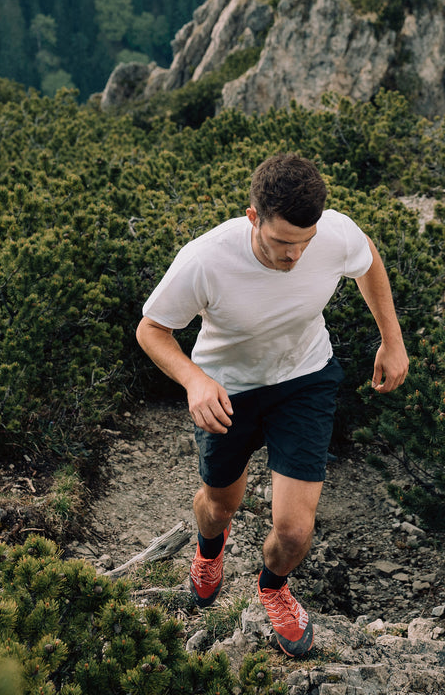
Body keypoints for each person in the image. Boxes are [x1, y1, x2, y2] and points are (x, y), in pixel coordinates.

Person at [136, 153, 408, 658]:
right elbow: (151, 330)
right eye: (283, 242)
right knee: (221, 506)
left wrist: (391, 340)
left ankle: (273, 587)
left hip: (304, 379)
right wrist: (195, 381)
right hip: (228, 390)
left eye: (304, 243)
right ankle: (208, 549)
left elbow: (366, 257)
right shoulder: (206, 259)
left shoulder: (334, 233)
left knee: (295, 530)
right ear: (253, 217)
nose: (294, 257)